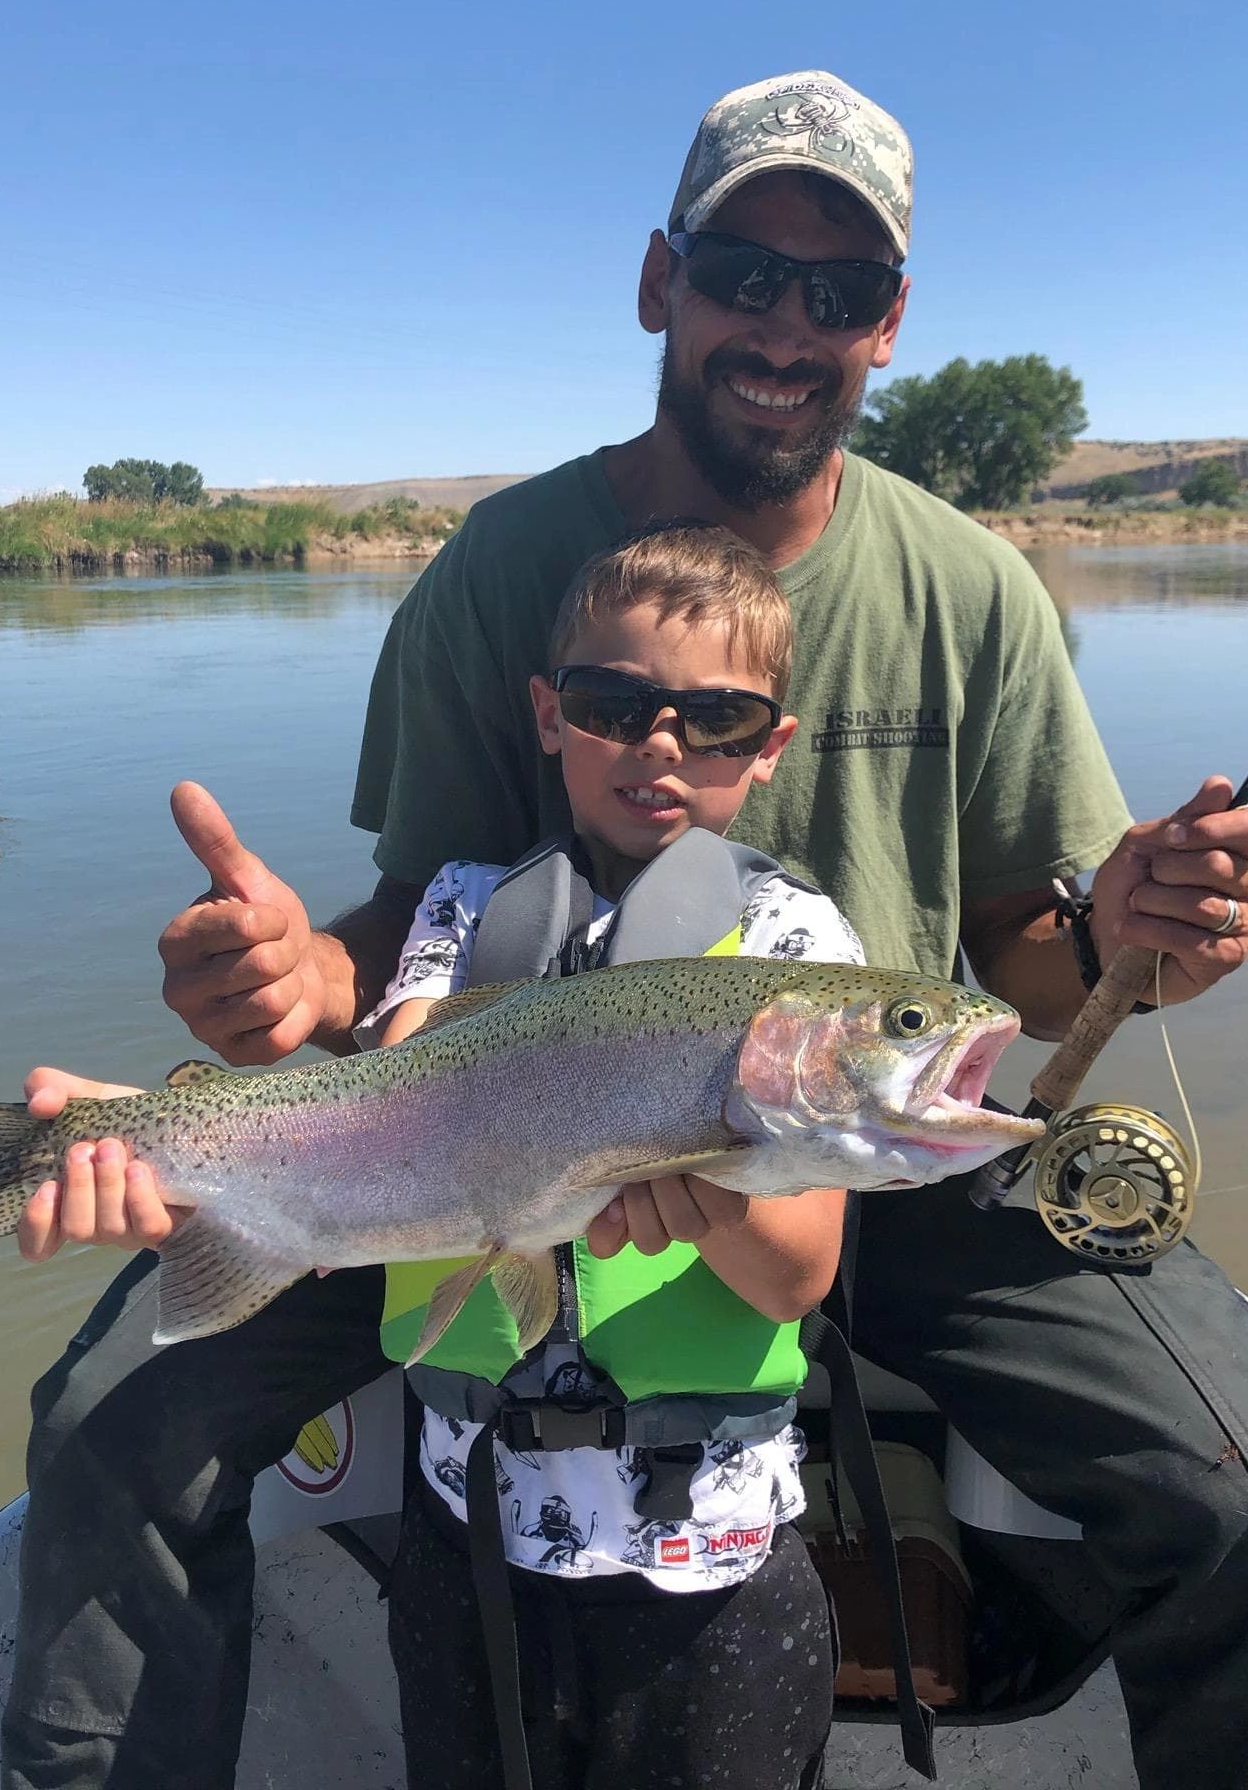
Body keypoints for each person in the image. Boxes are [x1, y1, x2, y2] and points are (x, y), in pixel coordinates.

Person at [3, 71, 1248, 1790]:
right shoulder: (506, 564)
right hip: (495, 1142)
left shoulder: (975, 591)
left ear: (890, 329)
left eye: (840, 292)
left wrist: (1130, 932)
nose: (787, 326)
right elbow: (405, 927)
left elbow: (1032, 943)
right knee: (110, 1421)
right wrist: (297, 977)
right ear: (661, 281)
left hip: (896, 1154)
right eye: (744, 271)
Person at [371, 520, 864, 1790]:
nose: (660, 744)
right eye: (613, 704)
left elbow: (800, 1272)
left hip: (709, 1568)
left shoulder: (801, 943)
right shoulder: (462, 907)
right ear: (549, 714)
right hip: (466, 1527)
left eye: (716, 718)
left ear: (769, 751)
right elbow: (397, 1109)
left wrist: (687, 1168)